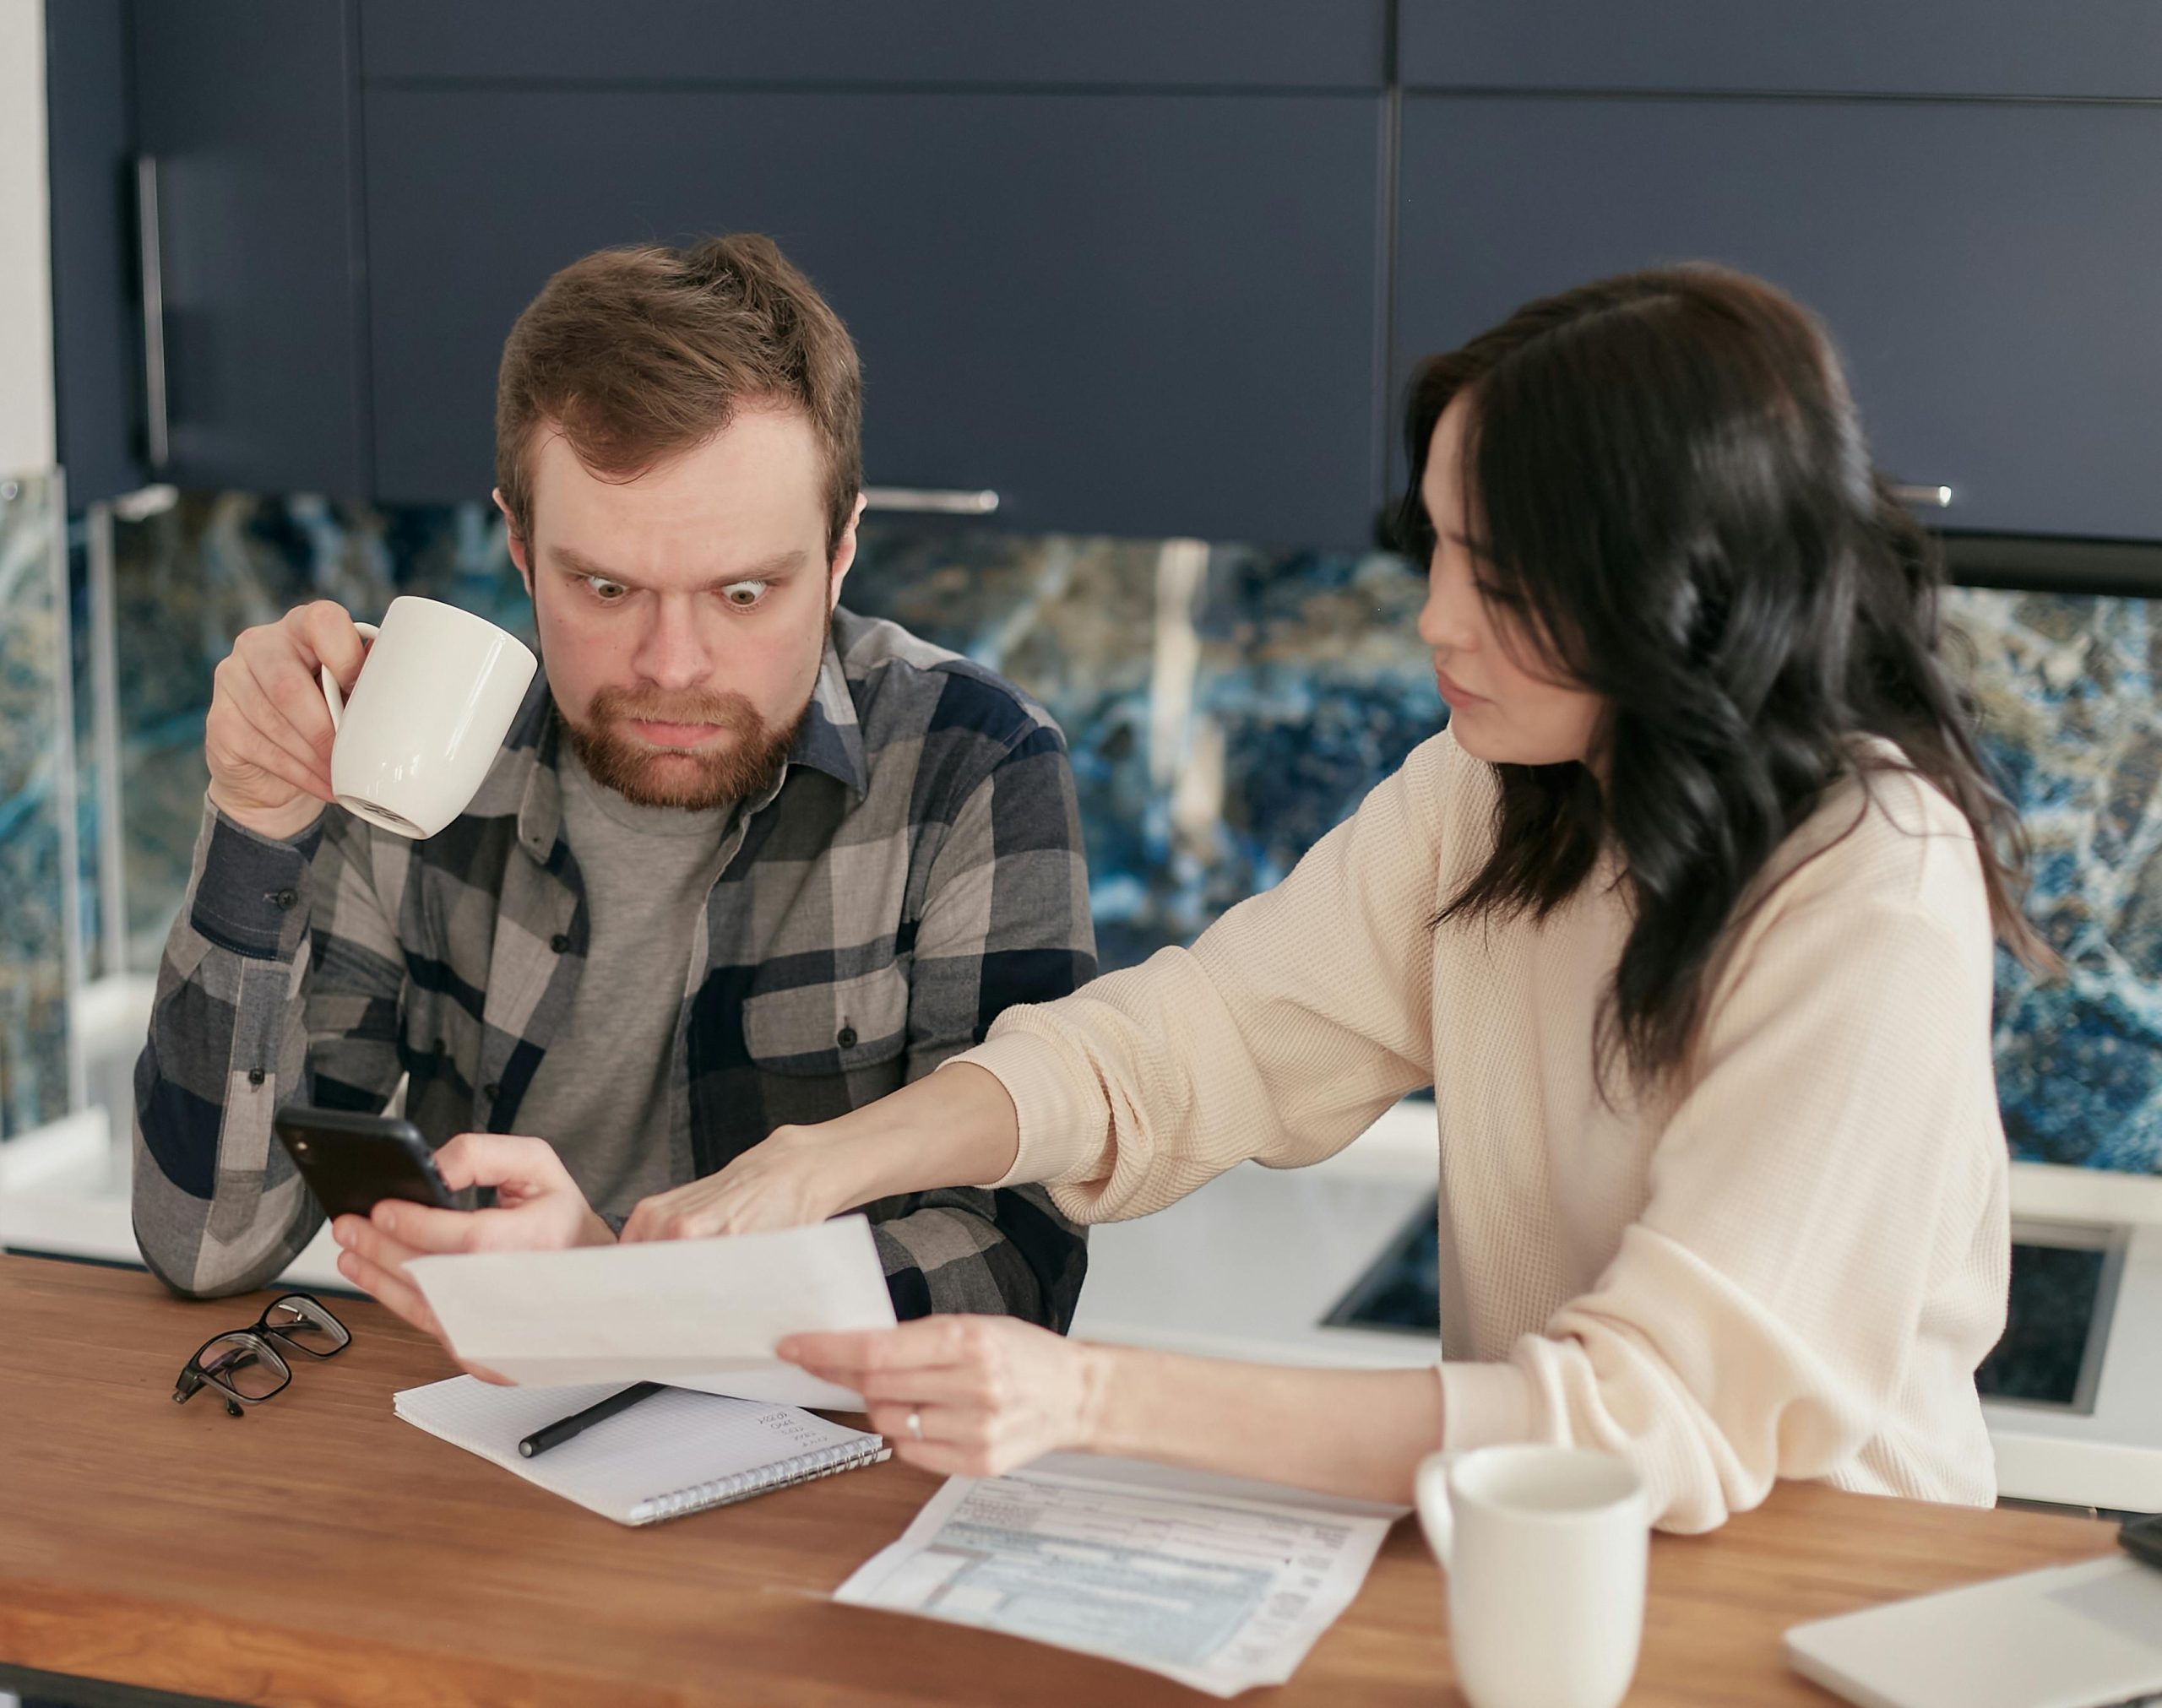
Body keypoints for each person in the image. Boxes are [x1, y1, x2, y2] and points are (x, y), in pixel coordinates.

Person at [642, 264, 2041, 1532]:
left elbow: (1644, 1415)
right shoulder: (1501, 793)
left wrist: (1090, 1401)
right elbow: (1191, 1046)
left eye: (1498, 578)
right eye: (1433, 547)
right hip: (1550, 1565)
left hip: (1823, 1596)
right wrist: (825, 1161)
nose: (1435, 619)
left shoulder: (1872, 885)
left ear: (1677, 584)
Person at [132, 235, 1096, 1332]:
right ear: (519, 543)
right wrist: (258, 826)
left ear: (839, 550)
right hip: (486, 1441)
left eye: (742, 593)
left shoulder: (973, 765)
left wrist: (630, 1300)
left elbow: (1011, 1282)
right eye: (604, 586)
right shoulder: (422, 754)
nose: (672, 665)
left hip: (828, 1470)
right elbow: (205, 1245)